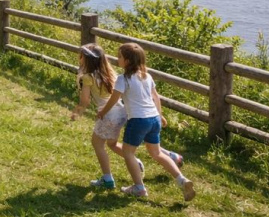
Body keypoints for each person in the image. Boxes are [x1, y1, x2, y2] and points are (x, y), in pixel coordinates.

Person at [97, 43, 195, 201]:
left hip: (138, 120)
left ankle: (139, 187)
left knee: (128, 153)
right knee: (156, 153)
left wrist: (103, 111)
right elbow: (155, 97)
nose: (117, 59)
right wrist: (161, 115)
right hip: (153, 118)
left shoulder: (123, 79)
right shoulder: (146, 76)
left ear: (127, 61)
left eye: (120, 56)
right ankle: (181, 179)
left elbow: (114, 99)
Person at [70, 43, 146, 189]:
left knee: (97, 144)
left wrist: (77, 111)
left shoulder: (88, 77)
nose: (79, 59)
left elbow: (85, 100)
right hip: (121, 112)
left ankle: (107, 179)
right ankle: (134, 162)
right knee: (111, 143)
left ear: (85, 60)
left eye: (80, 56)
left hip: (108, 115)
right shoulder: (110, 72)